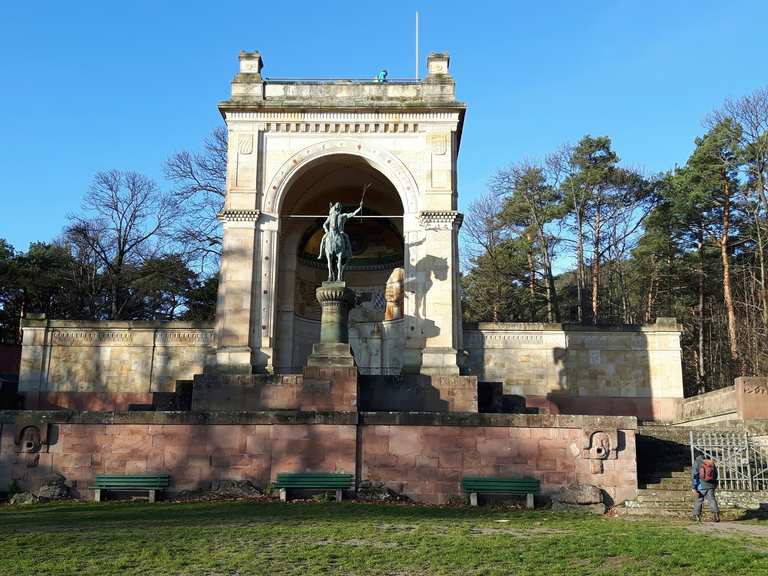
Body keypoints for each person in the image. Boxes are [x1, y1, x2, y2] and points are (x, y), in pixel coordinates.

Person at [691, 452, 720, 522]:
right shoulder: (710, 462)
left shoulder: (697, 462)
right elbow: (716, 474)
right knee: (712, 500)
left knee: (699, 500)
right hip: (710, 485)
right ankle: (716, 515)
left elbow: (694, 475)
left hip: (700, 485)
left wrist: (694, 487)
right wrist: (713, 483)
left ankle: (697, 516)